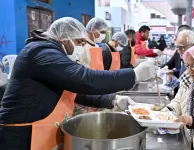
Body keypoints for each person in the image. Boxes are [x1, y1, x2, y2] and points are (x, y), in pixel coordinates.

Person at [0, 17, 158, 150]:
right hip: (21, 136)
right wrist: (134, 75)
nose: (82, 47)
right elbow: (84, 79)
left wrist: (112, 99)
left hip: (37, 130)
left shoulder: (49, 51)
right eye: (79, 42)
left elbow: (75, 90)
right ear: (64, 38)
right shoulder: (41, 52)